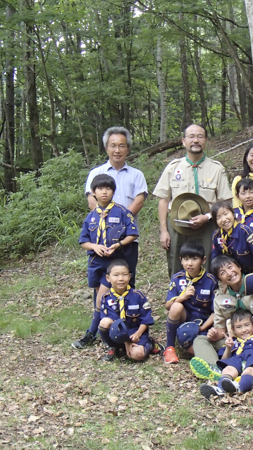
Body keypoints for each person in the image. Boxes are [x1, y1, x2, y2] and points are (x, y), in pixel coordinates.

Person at [190, 255, 253, 384]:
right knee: (200, 339)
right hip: (236, 343)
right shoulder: (220, 298)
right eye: (223, 272)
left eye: (230, 267)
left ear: (238, 267)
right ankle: (216, 370)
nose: (229, 273)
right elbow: (221, 330)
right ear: (220, 279)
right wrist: (214, 335)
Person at [153, 124, 233, 276]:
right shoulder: (173, 168)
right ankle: (179, 298)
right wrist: (164, 231)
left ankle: (209, 298)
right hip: (177, 227)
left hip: (208, 226)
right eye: (191, 136)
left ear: (206, 140)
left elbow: (225, 201)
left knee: (210, 264)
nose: (195, 140)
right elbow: (163, 200)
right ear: (183, 141)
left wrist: (208, 216)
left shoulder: (216, 168)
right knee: (177, 265)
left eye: (200, 136)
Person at [73, 174, 139, 349]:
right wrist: (94, 246)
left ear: (113, 191)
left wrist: (118, 244)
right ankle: (109, 331)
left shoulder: (122, 211)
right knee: (101, 300)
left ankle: (91, 333)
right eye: (100, 188)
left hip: (114, 262)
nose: (104, 191)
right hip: (96, 262)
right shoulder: (91, 217)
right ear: (93, 192)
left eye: (108, 188)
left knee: (101, 298)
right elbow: (83, 241)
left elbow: (133, 234)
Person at [85, 126, 148, 288]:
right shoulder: (96, 173)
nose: (117, 150)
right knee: (102, 281)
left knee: (126, 279)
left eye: (122, 145)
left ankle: (128, 312)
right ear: (106, 148)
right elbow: (92, 202)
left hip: (128, 238)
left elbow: (139, 201)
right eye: (113, 145)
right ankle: (101, 313)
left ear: (127, 148)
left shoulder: (136, 175)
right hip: (101, 241)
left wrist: (120, 226)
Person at [199, 310, 253, 398]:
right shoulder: (233, 340)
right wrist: (228, 348)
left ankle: (239, 387)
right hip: (237, 359)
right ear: (233, 329)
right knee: (228, 369)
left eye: (247, 325)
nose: (244, 330)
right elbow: (223, 360)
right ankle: (220, 389)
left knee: (249, 370)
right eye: (239, 327)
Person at [163, 241, 218, 364]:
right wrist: (182, 297)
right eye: (186, 259)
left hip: (204, 323)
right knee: (176, 306)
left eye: (194, 259)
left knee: (200, 351)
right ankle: (169, 348)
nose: (190, 263)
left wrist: (202, 328)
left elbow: (216, 311)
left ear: (203, 260)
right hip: (185, 320)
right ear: (181, 260)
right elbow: (168, 306)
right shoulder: (177, 278)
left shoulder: (211, 280)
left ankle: (196, 350)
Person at [98, 259, 157, 362]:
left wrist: (138, 334)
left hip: (135, 333)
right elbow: (115, 324)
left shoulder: (138, 296)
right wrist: (126, 341)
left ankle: (149, 344)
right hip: (117, 333)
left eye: (124, 275)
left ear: (129, 277)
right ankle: (113, 347)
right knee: (104, 322)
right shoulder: (106, 299)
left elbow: (146, 320)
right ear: (108, 278)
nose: (121, 278)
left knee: (138, 355)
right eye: (116, 275)